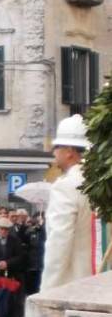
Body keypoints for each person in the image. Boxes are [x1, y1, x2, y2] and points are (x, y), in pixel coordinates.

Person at [41, 114, 94, 292]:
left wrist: (47, 290)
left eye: (57, 146)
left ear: (69, 151)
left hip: (75, 285)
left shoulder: (66, 186)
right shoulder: (100, 180)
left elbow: (59, 241)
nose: (53, 152)